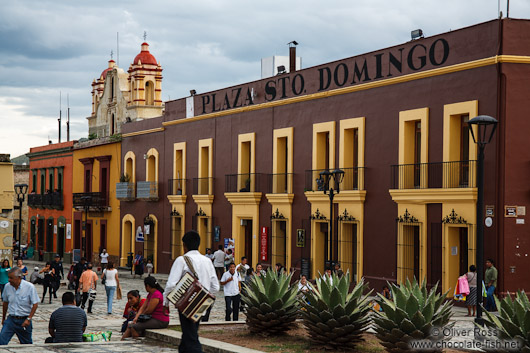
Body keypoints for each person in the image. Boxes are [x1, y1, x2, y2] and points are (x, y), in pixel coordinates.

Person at [163, 230, 219, 352]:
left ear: (184, 245)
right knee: (189, 333)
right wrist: (204, 296)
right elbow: (215, 287)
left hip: (186, 304)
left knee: (191, 337)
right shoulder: (207, 261)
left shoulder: (182, 260)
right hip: (201, 304)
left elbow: (171, 284)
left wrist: (166, 303)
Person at [0, 267, 39, 345]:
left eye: (11, 278)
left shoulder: (29, 287)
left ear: (18, 278)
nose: (9, 280)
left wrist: (29, 318)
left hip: (24, 319)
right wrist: (3, 318)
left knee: (26, 344)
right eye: (8, 277)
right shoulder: (7, 287)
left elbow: (35, 304)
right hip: (11, 319)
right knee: (2, 340)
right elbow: (5, 303)